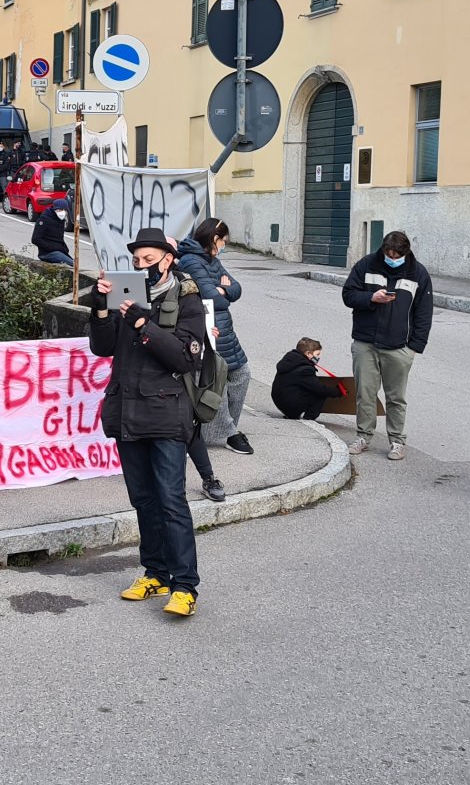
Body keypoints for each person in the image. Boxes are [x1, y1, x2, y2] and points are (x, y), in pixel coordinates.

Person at [88, 228, 209, 618]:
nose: (142, 267)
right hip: (128, 411)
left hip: (168, 413)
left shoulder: (187, 301)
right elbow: (103, 348)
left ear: (167, 259)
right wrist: (101, 309)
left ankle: (185, 585)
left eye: (148, 260)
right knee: (143, 500)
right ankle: (155, 572)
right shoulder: (129, 297)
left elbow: (185, 358)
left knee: (171, 500)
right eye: (136, 261)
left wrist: (144, 325)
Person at [340, 230, 434, 461]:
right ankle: (363, 436)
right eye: (388, 254)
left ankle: (397, 441)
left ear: (406, 252)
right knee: (365, 393)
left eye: (397, 255)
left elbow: (424, 313)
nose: (392, 258)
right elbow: (348, 295)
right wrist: (371, 298)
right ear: (382, 250)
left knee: (396, 398)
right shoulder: (366, 265)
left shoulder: (418, 274)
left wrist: (414, 347)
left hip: (398, 347)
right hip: (366, 343)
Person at [177, 217, 254, 463]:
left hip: (226, 331)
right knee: (215, 381)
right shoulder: (191, 261)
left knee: (241, 374)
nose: (224, 246)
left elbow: (237, 288)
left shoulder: (213, 261)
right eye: (224, 241)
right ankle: (229, 433)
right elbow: (212, 298)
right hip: (208, 330)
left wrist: (225, 290)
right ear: (214, 238)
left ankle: (223, 429)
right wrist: (221, 290)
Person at [271, 338, 334, 421]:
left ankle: (291, 413)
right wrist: (336, 391)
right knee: (320, 394)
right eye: (317, 354)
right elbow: (318, 388)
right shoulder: (305, 369)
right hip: (289, 404)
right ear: (308, 353)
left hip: (279, 401)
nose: (318, 357)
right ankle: (308, 419)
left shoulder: (291, 361)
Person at [32, 198, 75, 266]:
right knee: (73, 264)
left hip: (58, 251)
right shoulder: (44, 219)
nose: (62, 212)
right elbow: (35, 239)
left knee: (75, 264)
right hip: (47, 253)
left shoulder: (61, 220)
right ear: (54, 209)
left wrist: (64, 248)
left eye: (65, 210)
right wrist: (52, 247)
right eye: (60, 210)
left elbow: (58, 238)